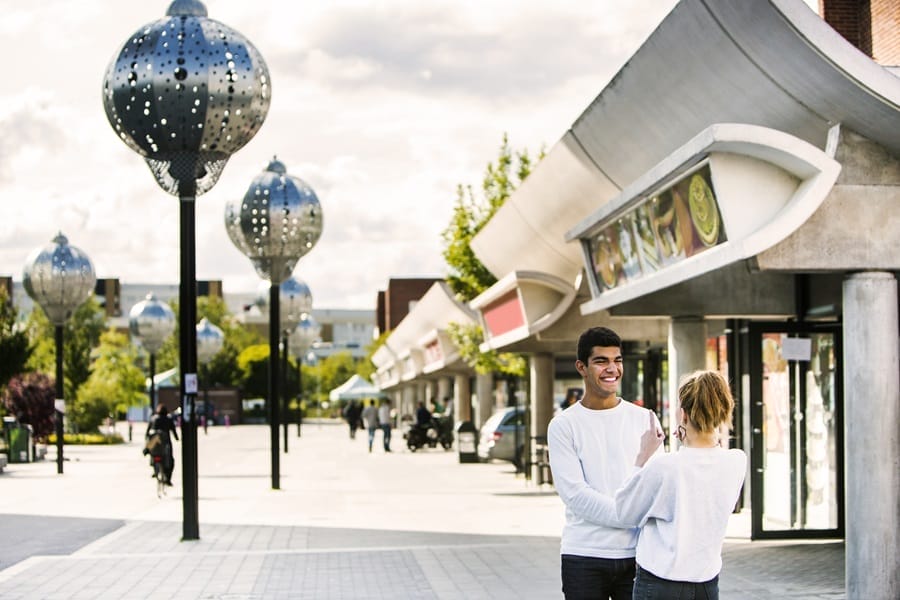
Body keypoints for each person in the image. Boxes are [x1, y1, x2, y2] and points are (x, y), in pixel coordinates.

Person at [600, 370, 746, 600]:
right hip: (707, 586)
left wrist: (642, 457)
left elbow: (624, 511)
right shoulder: (737, 461)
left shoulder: (665, 466)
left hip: (661, 585)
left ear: (683, 414)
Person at [547, 326, 662, 600]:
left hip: (639, 555)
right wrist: (627, 515)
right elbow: (575, 495)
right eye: (601, 361)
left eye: (617, 360)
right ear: (581, 367)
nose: (612, 369)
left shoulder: (645, 419)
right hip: (584, 556)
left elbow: (656, 486)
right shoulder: (563, 425)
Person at [145, 404, 179, 485]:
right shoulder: (168, 419)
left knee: (153, 453)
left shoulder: (153, 419)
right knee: (170, 461)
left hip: (154, 443)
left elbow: (147, 432)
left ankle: (154, 469)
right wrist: (177, 438)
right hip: (165, 442)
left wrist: (147, 440)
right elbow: (173, 431)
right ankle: (168, 479)